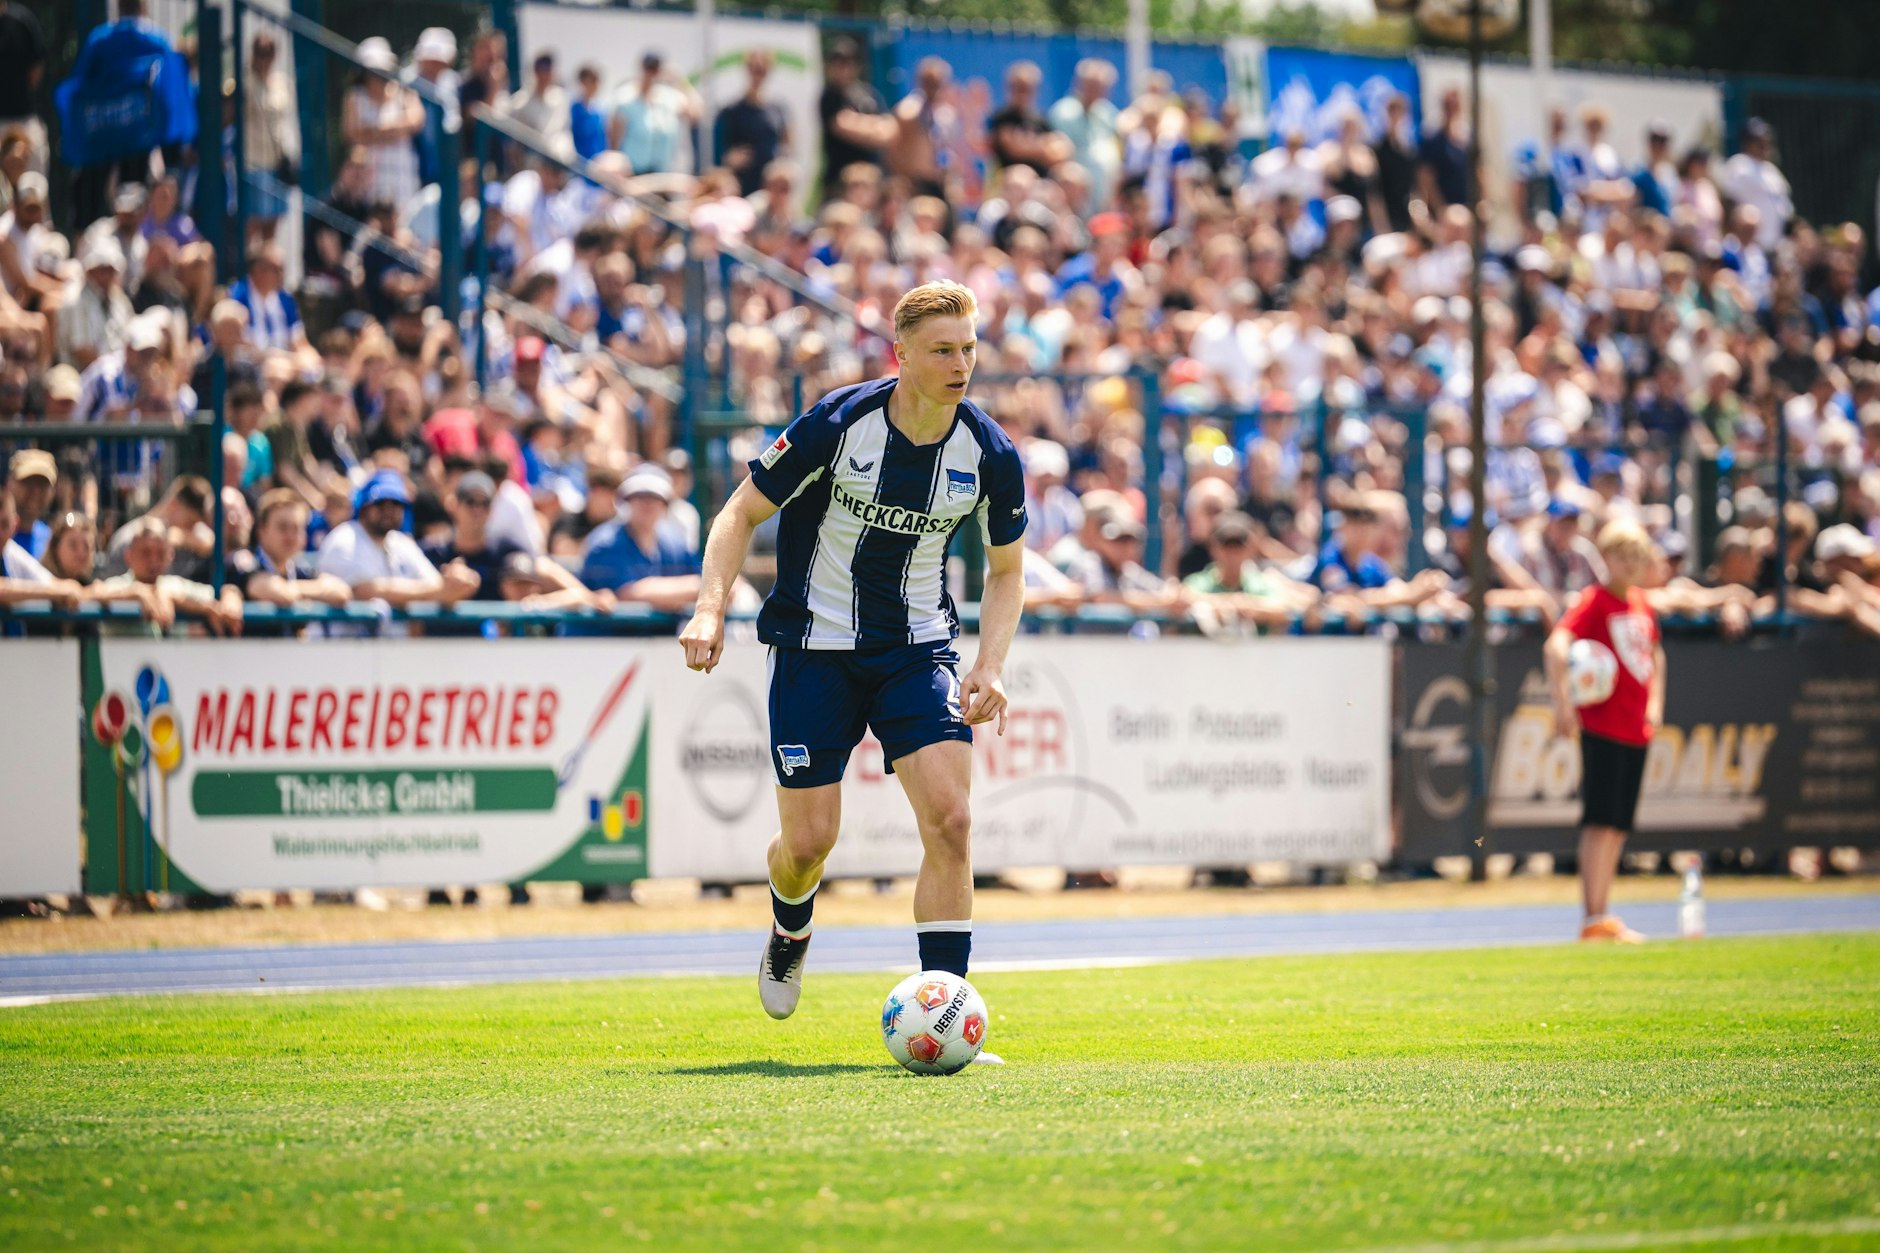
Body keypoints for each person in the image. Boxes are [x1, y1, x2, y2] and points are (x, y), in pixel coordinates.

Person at [677, 280, 1026, 1045]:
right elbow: (738, 512)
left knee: (953, 819)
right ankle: (789, 926)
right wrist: (710, 606)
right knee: (808, 846)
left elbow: (1006, 570)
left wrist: (991, 664)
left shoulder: (990, 453)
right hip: (813, 650)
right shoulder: (838, 424)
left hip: (917, 651)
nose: (960, 363)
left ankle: (949, 1009)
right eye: (942, 350)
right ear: (899, 355)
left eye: (968, 348)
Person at [1545, 520, 1666, 945]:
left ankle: (1603, 912)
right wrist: (1564, 703)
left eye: (1639, 557)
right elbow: (1557, 644)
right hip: (1603, 727)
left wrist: (1655, 705)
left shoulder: (1641, 604)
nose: (1631, 565)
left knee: (1617, 824)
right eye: (1622, 556)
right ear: (1606, 559)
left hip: (1636, 728)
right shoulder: (1594, 601)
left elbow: (1655, 655)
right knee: (1599, 822)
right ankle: (1592, 914)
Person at [717, 51, 789, 198]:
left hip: (770, 186)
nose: (758, 74)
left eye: (762, 70)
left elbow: (787, 142)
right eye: (754, 69)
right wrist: (729, 159)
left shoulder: (778, 108)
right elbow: (718, 151)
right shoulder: (731, 110)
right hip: (742, 183)